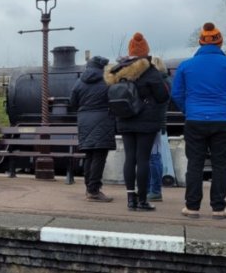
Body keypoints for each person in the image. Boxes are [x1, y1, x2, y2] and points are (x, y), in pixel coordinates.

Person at [172, 22, 226, 220]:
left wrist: (188, 110)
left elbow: (177, 93)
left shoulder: (186, 66)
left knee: (194, 164)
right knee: (221, 165)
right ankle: (218, 208)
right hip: (223, 120)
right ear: (220, 43)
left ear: (200, 42)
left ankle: (192, 207)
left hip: (195, 120)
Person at [104, 33, 170, 211]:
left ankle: (130, 200)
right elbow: (163, 95)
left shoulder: (118, 70)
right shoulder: (149, 70)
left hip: (124, 119)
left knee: (129, 159)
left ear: (130, 50)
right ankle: (142, 200)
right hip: (146, 122)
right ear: (145, 50)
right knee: (143, 160)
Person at [69, 55, 116, 202]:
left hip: (84, 120)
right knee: (99, 157)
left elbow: (73, 104)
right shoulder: (107, 81)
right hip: (103, 120)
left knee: (89, 156)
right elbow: (114, 100)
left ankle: (89, 188)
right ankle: (94, 190)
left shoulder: (78, 83)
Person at [147, 56, 172, 202]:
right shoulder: (166, 81)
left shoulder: (158, 83)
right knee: (154, 157)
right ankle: (153, 188)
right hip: (160, 123)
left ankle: (154, 190)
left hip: (154, 124)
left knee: (153, 158)